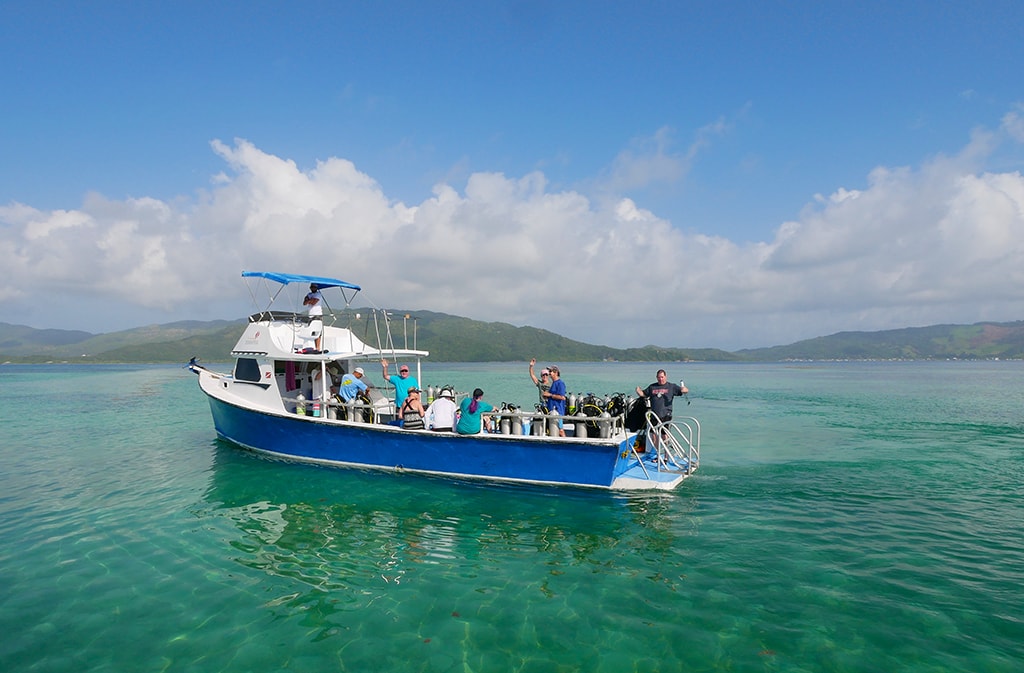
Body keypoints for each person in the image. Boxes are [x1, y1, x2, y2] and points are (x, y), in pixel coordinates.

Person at [543, 364, 567, 437]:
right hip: (552, 411)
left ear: (556, 372)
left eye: (551, 371)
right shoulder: (553, 383)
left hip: (558, 411)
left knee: (560, 430)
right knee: (554, 430)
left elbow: (562, 397)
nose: (549, 373)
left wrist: (550, 395)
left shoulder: (560, 383)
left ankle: (566, 443)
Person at [303, 283, 324, 351]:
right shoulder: (309, 294)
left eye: (314, 287)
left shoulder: (318, 294)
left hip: (317, 315)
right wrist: (309, 300)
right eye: (312, 287)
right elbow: (304, 303)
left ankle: (318, 348)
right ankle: (314, 347)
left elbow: (313, 302)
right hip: (310, 315)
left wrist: (309, 300)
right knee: (312, 331)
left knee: (317, 331)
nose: (313, 288)